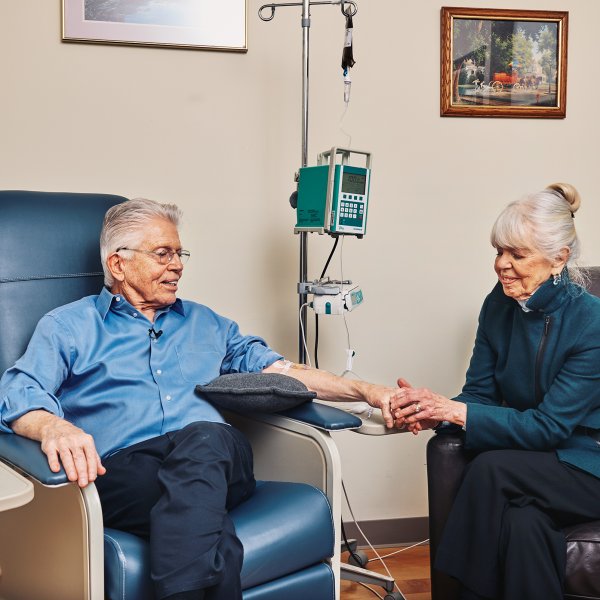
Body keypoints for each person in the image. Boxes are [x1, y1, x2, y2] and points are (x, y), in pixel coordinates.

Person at [0, 198, 402, 600]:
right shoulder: (69, 326)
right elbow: (18, 391)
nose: (177, 265)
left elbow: (281, 370)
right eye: (163, 254)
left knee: (206, 440)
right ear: (118, 264)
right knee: (204, 521)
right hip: (125, 472)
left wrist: (367, 391)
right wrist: (53, 426)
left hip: (218, 456)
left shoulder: (207, 323)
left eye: (179, 253)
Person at [391, 183, 600, 600]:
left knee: (490, 469)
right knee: (524, 525)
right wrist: (436, 411)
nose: (502, 265)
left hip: (588, 464)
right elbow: (479, 394)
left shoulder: (591, 322)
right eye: (498, 251)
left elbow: (549, 427)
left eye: (517, 255)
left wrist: (454, 412)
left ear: (559, 258)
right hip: (536, 466)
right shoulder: (497, 305)